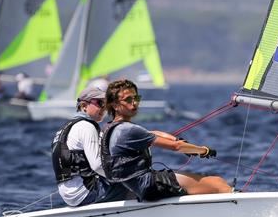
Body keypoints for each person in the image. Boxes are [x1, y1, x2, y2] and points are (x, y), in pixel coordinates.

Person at [101, 79, 232, 202]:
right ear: (115, 105)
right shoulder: (129, 130)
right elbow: (176, 147)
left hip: (138, 185)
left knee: (202, 181)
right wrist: (203, 150)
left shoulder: (111, 128)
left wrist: (177, 139)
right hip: (149, 185)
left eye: (136, 98)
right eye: (128, 100)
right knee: (218, 183)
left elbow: (153, 133)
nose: (134, 103)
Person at [51, 83, 133, 207]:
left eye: (105, 105)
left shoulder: (67, 127)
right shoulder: (87, 127)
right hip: (84, 192)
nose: (104, 109)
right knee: (138, 184)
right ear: (84, 106)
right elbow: (97, 165)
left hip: (69, 194)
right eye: (100, 103)